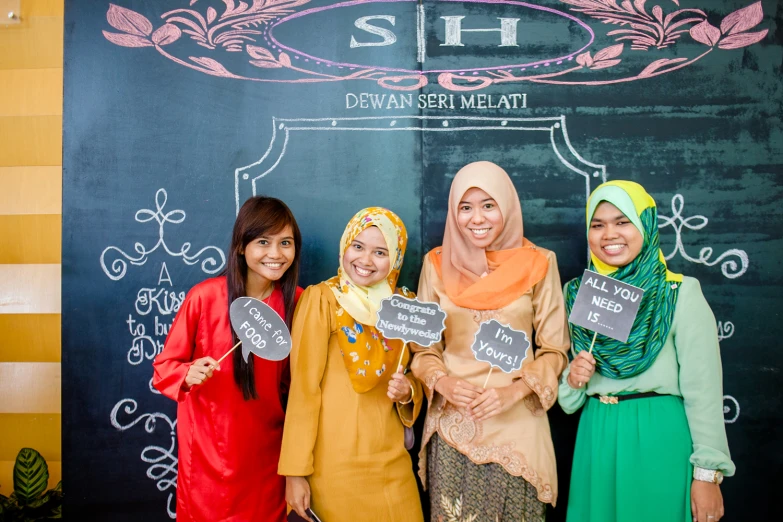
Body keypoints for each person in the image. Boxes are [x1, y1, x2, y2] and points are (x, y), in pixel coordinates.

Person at [558, 180, 735, 522]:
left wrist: (707, 474)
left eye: (623, 222)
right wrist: (574, 378)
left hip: (659, 438)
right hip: (597, 437)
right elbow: (568, 402)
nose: (609, 234)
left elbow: (704, 390)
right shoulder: (577, 294)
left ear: (646, 224)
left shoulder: (679, 294)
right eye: (598, 225)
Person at [411, 161, 570, 521]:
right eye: (465, 208)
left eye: (488, 205)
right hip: (455, 425)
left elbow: (554, 349)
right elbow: (423, 348)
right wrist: (443, 383)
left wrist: (511, 393)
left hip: (517, 422)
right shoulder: (436, 265)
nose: (476, 218)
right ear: (454, 213)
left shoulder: (540, 263)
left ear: (507, 207)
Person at [152, 196, 303, 522]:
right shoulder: (205, 296)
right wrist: (187, 373)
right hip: (207, 457)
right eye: (263, 241)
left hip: (268, 457)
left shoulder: (299, 304)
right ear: (240, 246)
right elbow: (164, 367)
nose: (275, 254)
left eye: (285, 243)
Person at [280, 207, 424, 522]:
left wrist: (409, 392)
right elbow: (303, 390)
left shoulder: (405, 306)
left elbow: (416, 377)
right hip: (334, 466)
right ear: (345, 246)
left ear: (396, 257)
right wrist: (294, 472)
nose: (365, 260)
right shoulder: (322, 300)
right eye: (357, 246)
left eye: (380, 251)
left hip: (392, 463)